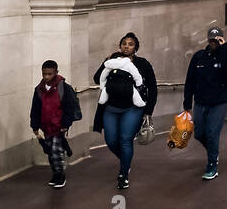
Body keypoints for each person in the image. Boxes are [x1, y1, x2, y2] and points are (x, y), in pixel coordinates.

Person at [92, 32, 157, 190]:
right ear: (120, 46)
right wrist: (105, 62)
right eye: (124, 43)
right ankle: (125, 160)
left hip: (132, 108)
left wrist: (148, 111)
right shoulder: (112, 60)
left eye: (130, 44)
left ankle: (123, 175)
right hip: (111, 107)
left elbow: (153, 88)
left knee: (125, 139)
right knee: (111, 140)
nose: (126, 46)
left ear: (136, 48)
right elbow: (97, 78)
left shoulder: (143, 64)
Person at [184, 27, 227, 180]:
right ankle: (213, 152)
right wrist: (187, 102)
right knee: (199, 133)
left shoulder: (225, 56)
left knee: (212, 134)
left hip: (219, 102)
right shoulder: (199, 57)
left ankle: (212, 164)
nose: (214, 42)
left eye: (218, 39)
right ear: (208, 40)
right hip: (201, 101)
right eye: (212, 39)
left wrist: (225, 46)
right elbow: (190, 80)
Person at [30, 60, 81, 189]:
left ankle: (60, 175)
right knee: (50, 151)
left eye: (49, 74)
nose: (46, 77)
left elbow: (69, 107)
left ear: (56, 72)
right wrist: (34, 125)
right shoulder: (39, 90)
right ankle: (56, 173)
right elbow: (35, 108)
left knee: (56, 151)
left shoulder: (64, 88)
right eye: (44, 74)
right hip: (46, 126)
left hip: (59, 126)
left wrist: (66, 124)